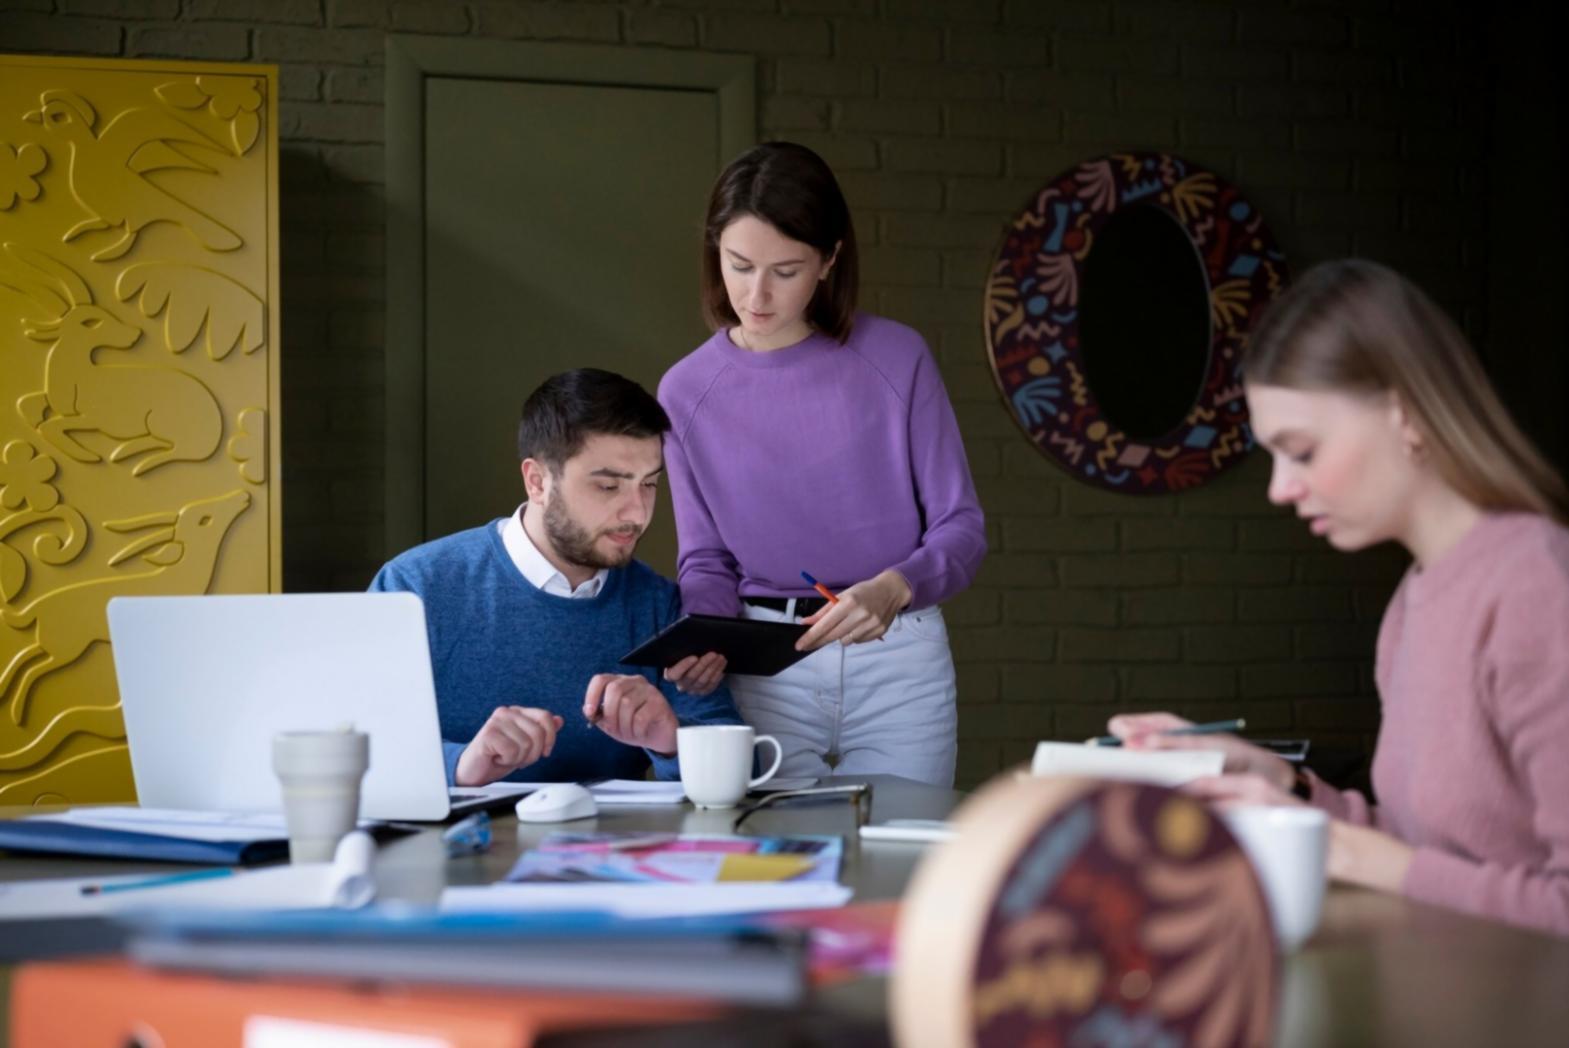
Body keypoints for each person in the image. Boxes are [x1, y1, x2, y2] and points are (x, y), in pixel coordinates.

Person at [1107, 259, 1569, 937]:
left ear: (1404, 413)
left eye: (1300, 450)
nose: (1277, 489)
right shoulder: (1413, 601)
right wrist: (1284, 789)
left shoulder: (1536, 584)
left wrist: (1347, 850)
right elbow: (1430, 858)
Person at [658, 141, 986, 787]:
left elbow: (961, 529)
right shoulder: (683, 391)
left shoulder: (897, 359)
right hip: (765, 664)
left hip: (899, 659)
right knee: (777, 870)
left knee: (902, 873)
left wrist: (892, 588)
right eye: (738, 264)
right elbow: (705, 560)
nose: (756, 293)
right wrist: (705, 634)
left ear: (829, 260)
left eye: (786, 270)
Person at [370, 368, 742, 787]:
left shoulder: (658, 604)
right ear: (537, 481)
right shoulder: (415, 586)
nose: (637, 512)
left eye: (650, 484)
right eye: (607, 487)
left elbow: (734, 764)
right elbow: (355, 743)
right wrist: (460, 765)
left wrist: (671, 740)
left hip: (614, 849)